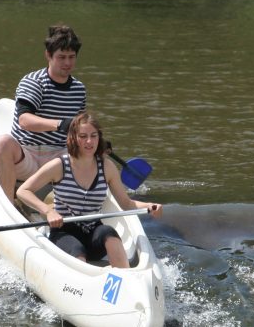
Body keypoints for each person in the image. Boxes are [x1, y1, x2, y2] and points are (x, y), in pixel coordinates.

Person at [16, 111, 163, 268]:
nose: (89, 141)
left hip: (94, 232)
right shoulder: (59, 165)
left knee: (109, 233)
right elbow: (23, 191)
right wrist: (48, 211)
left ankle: (125, 278)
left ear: (99, 138)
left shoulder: (107, 167)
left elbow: (126, 203)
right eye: (83, 136)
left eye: (94, 136)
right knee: (77, 250)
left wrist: (148, 206)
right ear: (74, 138)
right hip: (63, 232)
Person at [0, 24, 86, 201]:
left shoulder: (79, 89)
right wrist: (60, 124)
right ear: (48, 55)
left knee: (93, 151)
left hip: (57, 158)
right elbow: (24, 120)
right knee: (2, 143)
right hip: (26, 156)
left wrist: (95, 140)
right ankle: (8, 205)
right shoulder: (34, 82)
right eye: (61, 57)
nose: (67, 63)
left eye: (71, 57)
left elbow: (79, 127)